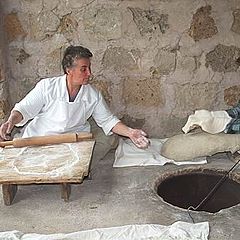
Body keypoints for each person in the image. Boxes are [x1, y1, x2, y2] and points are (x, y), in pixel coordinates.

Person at [0, 45, 149, 150]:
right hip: (41, 138)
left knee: (107, 140)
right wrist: (11, 121)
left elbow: (108, 121)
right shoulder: (47, 87)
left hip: (73, 142)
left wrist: (131, 132)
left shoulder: (92, 94)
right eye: (83, 69)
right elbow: (23, 109)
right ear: (68, 70)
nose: (89, 73)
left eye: (89, 68)